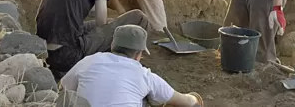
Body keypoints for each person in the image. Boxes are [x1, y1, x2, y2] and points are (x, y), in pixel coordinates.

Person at [61, 24, 204, 107]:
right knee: (147, 99)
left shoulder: (89, 61)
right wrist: (194, 98)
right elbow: (187, 102)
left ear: (112, 45)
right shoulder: (144, 75)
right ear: (139, 54)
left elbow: (63, 87)